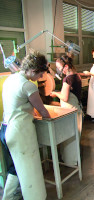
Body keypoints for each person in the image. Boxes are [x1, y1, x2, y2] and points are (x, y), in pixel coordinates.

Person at [1, 52, 50, 200]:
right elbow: (42, 110)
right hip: (19, 132)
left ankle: (8, 197)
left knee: (16, 167)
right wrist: (49, 117)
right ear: (34, 71)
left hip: (5, 128)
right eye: (40, 74)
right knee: (29, 169)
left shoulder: (11, 79)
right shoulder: (27, 85)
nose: (40, 78)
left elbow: (18, 104)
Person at [50, 55, 83, 165]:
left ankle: (70, 161)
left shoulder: (67, 79)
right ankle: (74, 159)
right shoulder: (76, 75)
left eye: (60, 68)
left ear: (66, 66)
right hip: (76, 110)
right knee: (74, 138)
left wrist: (54, 93)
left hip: (70, 111)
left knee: (69, 138)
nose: (59, 70)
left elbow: (65, 97)